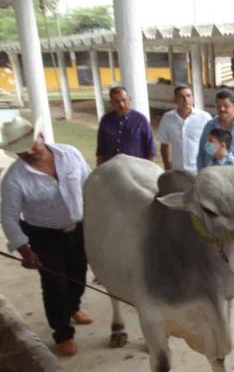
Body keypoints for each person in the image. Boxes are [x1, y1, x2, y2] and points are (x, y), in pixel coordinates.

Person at [0, 117, 92, 356]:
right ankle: (62, 332)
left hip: (78, 228)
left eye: (31, 144)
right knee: (54, 285)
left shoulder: (70, 154)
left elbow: (90, 184)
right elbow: (9, 218)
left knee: (79, 275)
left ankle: (73, 307)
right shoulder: (14, 179)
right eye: (20, 151)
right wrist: (25, 250)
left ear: (41, 136)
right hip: (44, 236)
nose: (29, 151)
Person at [96, 86, 156, 165]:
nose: (121, 105)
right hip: (112, 168)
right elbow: (101, 150)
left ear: (129, 100)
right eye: (116, 102)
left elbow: (150, 149)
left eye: (124, 100)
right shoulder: (106, 120)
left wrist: (149, 170)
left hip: (135, 169)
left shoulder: (141, 120)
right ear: (111, 103)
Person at [158, 85, 211, 173]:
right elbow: (164, 145)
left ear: (192, 98)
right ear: (175, 99)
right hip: (178, 169)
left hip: (199, 169)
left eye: (188, 96)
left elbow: (211, 144)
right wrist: (167, 165)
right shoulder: (167, 118)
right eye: (181, 97)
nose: (186, 100)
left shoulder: (204, 117)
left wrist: (209, 165)